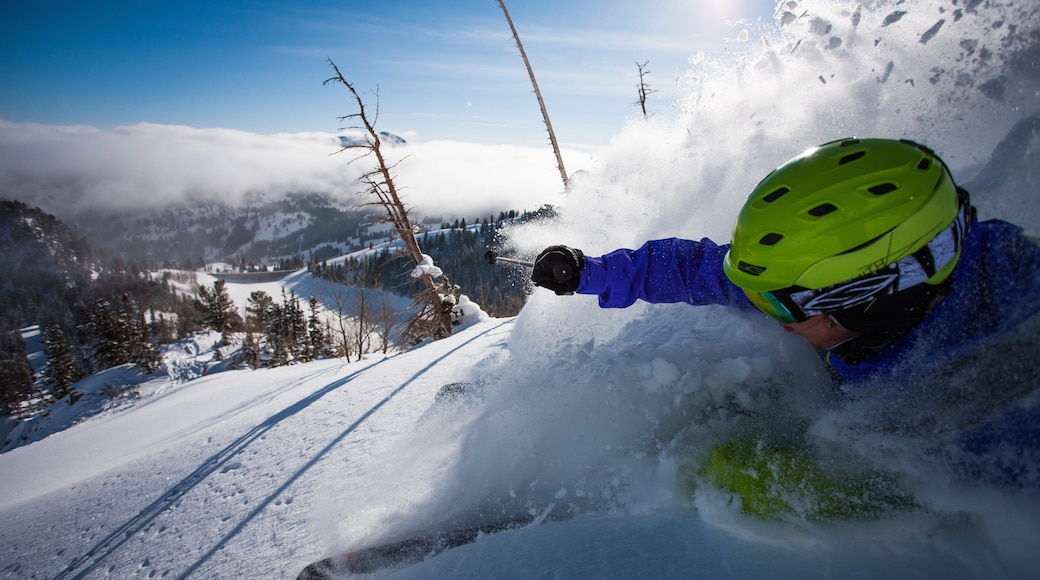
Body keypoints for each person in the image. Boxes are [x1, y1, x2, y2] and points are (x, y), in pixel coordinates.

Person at [530, 138, 1040, 515]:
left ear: (863, 304)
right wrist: (590, 272)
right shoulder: (853, 276)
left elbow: (925, 500)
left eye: (777, 304)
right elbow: (697, 269)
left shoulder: (982, 397)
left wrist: (767, 483)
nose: (760, 309)